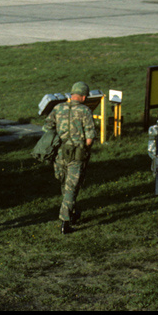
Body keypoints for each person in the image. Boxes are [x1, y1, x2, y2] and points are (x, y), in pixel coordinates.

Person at [45, 81, 97, 234]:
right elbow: (89, 139)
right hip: (76, 153)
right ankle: (65, 221)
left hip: (59, 153)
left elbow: (47, 127)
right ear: (81, 96)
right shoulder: (85, 111)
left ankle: (72, 212)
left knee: (64, 183)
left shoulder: (58, 108)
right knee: (72, 187)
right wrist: (85, 150)